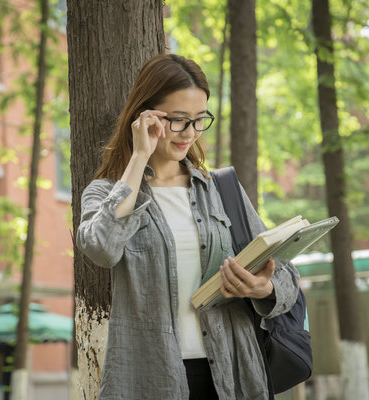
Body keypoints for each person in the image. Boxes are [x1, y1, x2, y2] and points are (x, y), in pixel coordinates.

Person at [76, 53, 300, 400]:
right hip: (150, 377)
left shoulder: (219, 190)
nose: (190, 134)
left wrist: (260, 288)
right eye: (179, 120)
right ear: (145, 117)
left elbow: (286, 276)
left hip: (232, 374)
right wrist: (138, 157)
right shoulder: (107, 192)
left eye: (199, 120)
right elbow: (102, 249)